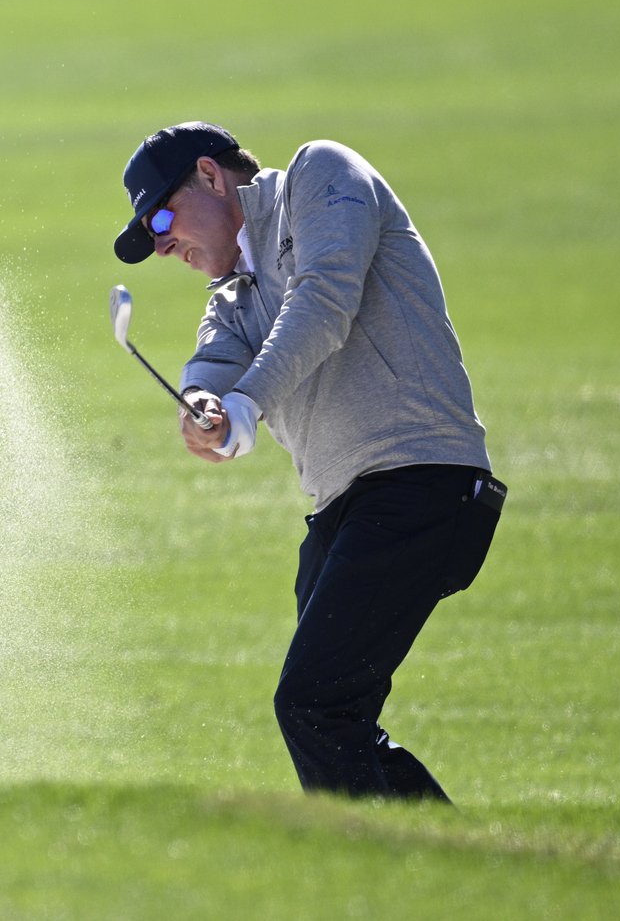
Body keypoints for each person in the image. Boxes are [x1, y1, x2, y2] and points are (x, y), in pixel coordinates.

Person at [112, 122, 505, 802]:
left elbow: (324, 302)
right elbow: (210, 364)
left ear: (211, 175)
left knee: (312, 705)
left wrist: (246, 404)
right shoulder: (232, 298)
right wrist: (205, 407)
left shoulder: (320, 177)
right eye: (150, 236)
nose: (162, 242)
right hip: (344, 511)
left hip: (423, 483)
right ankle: (458, 868)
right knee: (335, 720)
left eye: (164, 216)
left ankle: (388, 880)